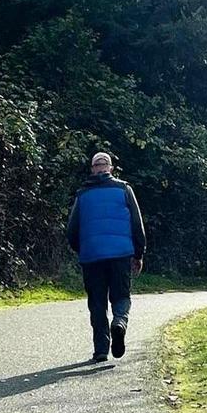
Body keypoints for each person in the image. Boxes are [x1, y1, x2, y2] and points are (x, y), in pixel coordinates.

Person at [66, 152, 146, 363]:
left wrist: (82, 249)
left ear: (93, 169)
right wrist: (138, 254)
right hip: (121, 254)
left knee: (97, 303)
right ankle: (119, 322)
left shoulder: (82, 194)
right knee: (121, 296)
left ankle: (101, 350)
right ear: (110, 168)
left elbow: (71, 231)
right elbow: (137, 225)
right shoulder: (124, 189)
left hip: (92, 256)